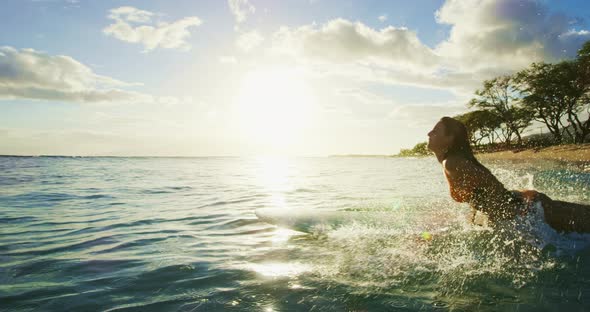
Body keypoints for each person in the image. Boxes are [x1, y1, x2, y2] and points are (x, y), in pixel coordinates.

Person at [427, 116, 590, 233]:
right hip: (527, 206)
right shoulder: (451, 161)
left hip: (530, 210)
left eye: (435, 131)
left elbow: (490, 185)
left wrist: (514, 208)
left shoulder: (453, 163)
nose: (429, 133)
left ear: (450, 138)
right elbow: (481, 191)